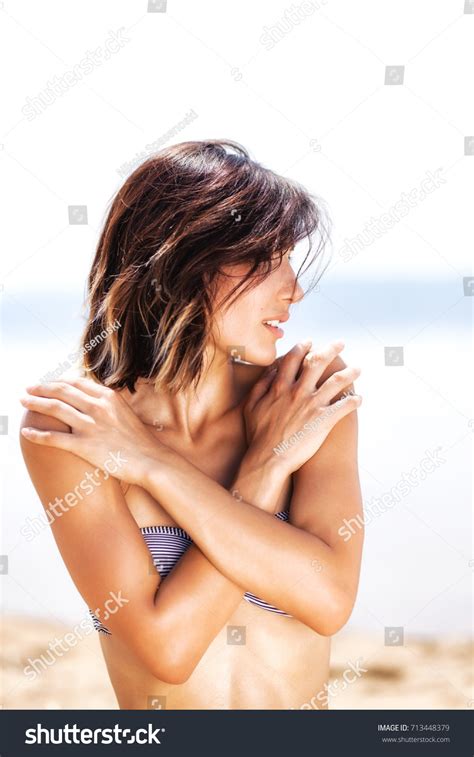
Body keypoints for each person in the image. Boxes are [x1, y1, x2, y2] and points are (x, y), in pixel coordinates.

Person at [19, 139, 364, 710]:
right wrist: (262, 472)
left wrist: (154, 466)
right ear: (189, 261)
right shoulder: (76, 429)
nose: (295, 290)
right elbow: (168, 649)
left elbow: (328, 600)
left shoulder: (308, 397)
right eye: (270, 260)